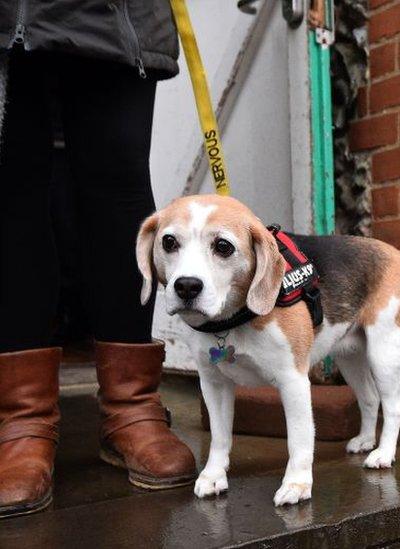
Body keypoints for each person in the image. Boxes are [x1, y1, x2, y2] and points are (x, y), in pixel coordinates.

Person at [0, 1, 197, 518]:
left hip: (119, 14)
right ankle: (23, 419)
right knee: (12, 189)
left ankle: (132, 408)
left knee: (118, 182)